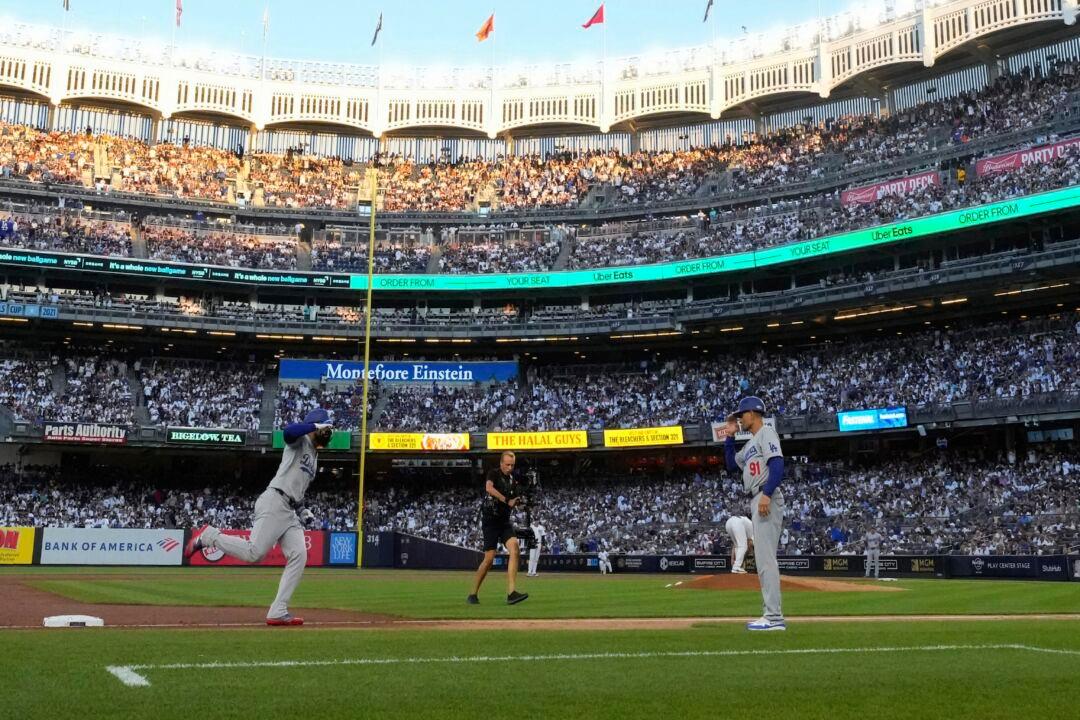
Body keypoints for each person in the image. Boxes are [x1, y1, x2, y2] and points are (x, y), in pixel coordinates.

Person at [183, 408, 334, 626]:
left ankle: (278, 610)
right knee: (254, 553)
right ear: (316, 427)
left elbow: (297, 489)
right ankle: (209, 536)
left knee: (299, 555)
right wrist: (314, 426)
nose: (329, 433)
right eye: (326, 428)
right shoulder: (299, 441)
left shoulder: (315, 457)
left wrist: (303, 511)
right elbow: (288, 432)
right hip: (274, 501)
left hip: (290, 510)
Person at [724, 396, 786, 631]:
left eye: (742, 415)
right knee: (762, 558)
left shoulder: (766, 432)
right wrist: (729, 436)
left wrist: (768, 494)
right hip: (757, 498)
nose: (740, 419)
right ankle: (771, 615)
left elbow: (777, 463)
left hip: (765, 496)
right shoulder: (750, 444)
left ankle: (774, 617)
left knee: (766, 558)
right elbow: (731, 464)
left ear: (753, 413)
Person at [468, 451, 528, 605]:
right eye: (507, 464)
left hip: (504, 521)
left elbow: (516, 504)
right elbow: (489, 488)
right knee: (489, 559)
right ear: (501, 463)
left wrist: (520, 503)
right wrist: (507, 500)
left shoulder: (513, 482)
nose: (509, 467)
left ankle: (511, 592)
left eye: (512, 465)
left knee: (514, 548)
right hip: (490, 521)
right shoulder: (493, 473)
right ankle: (473, 593)